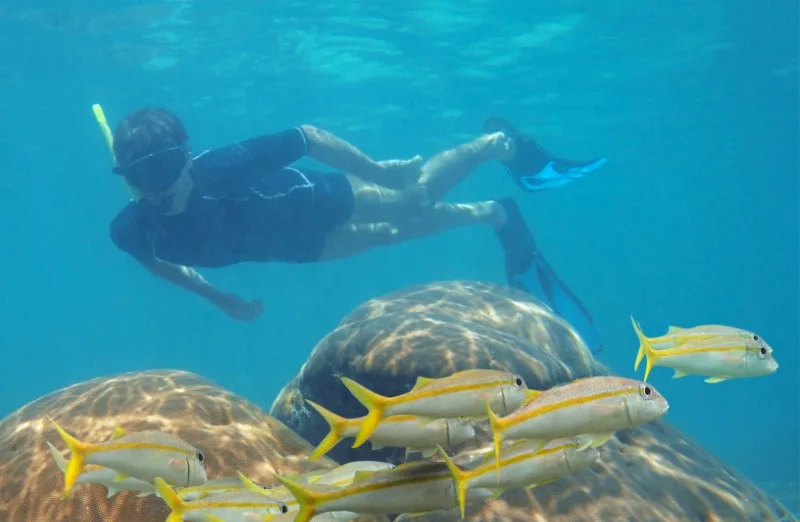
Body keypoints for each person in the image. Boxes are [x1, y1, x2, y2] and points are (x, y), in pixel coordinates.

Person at [108, 108, 606, 350]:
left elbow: (309, 136)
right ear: (125, 179)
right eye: (142, 177)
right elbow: (160, 265)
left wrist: (378, 173)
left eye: (169, 166)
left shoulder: (222, 166)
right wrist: (223, 300)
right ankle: (494, 213)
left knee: (413, 199)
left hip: (312, 198)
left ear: (188, 154)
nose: (160, 187)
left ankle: (499, 141)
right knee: (392, 235)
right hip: (296, 246)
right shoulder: (133, 229)